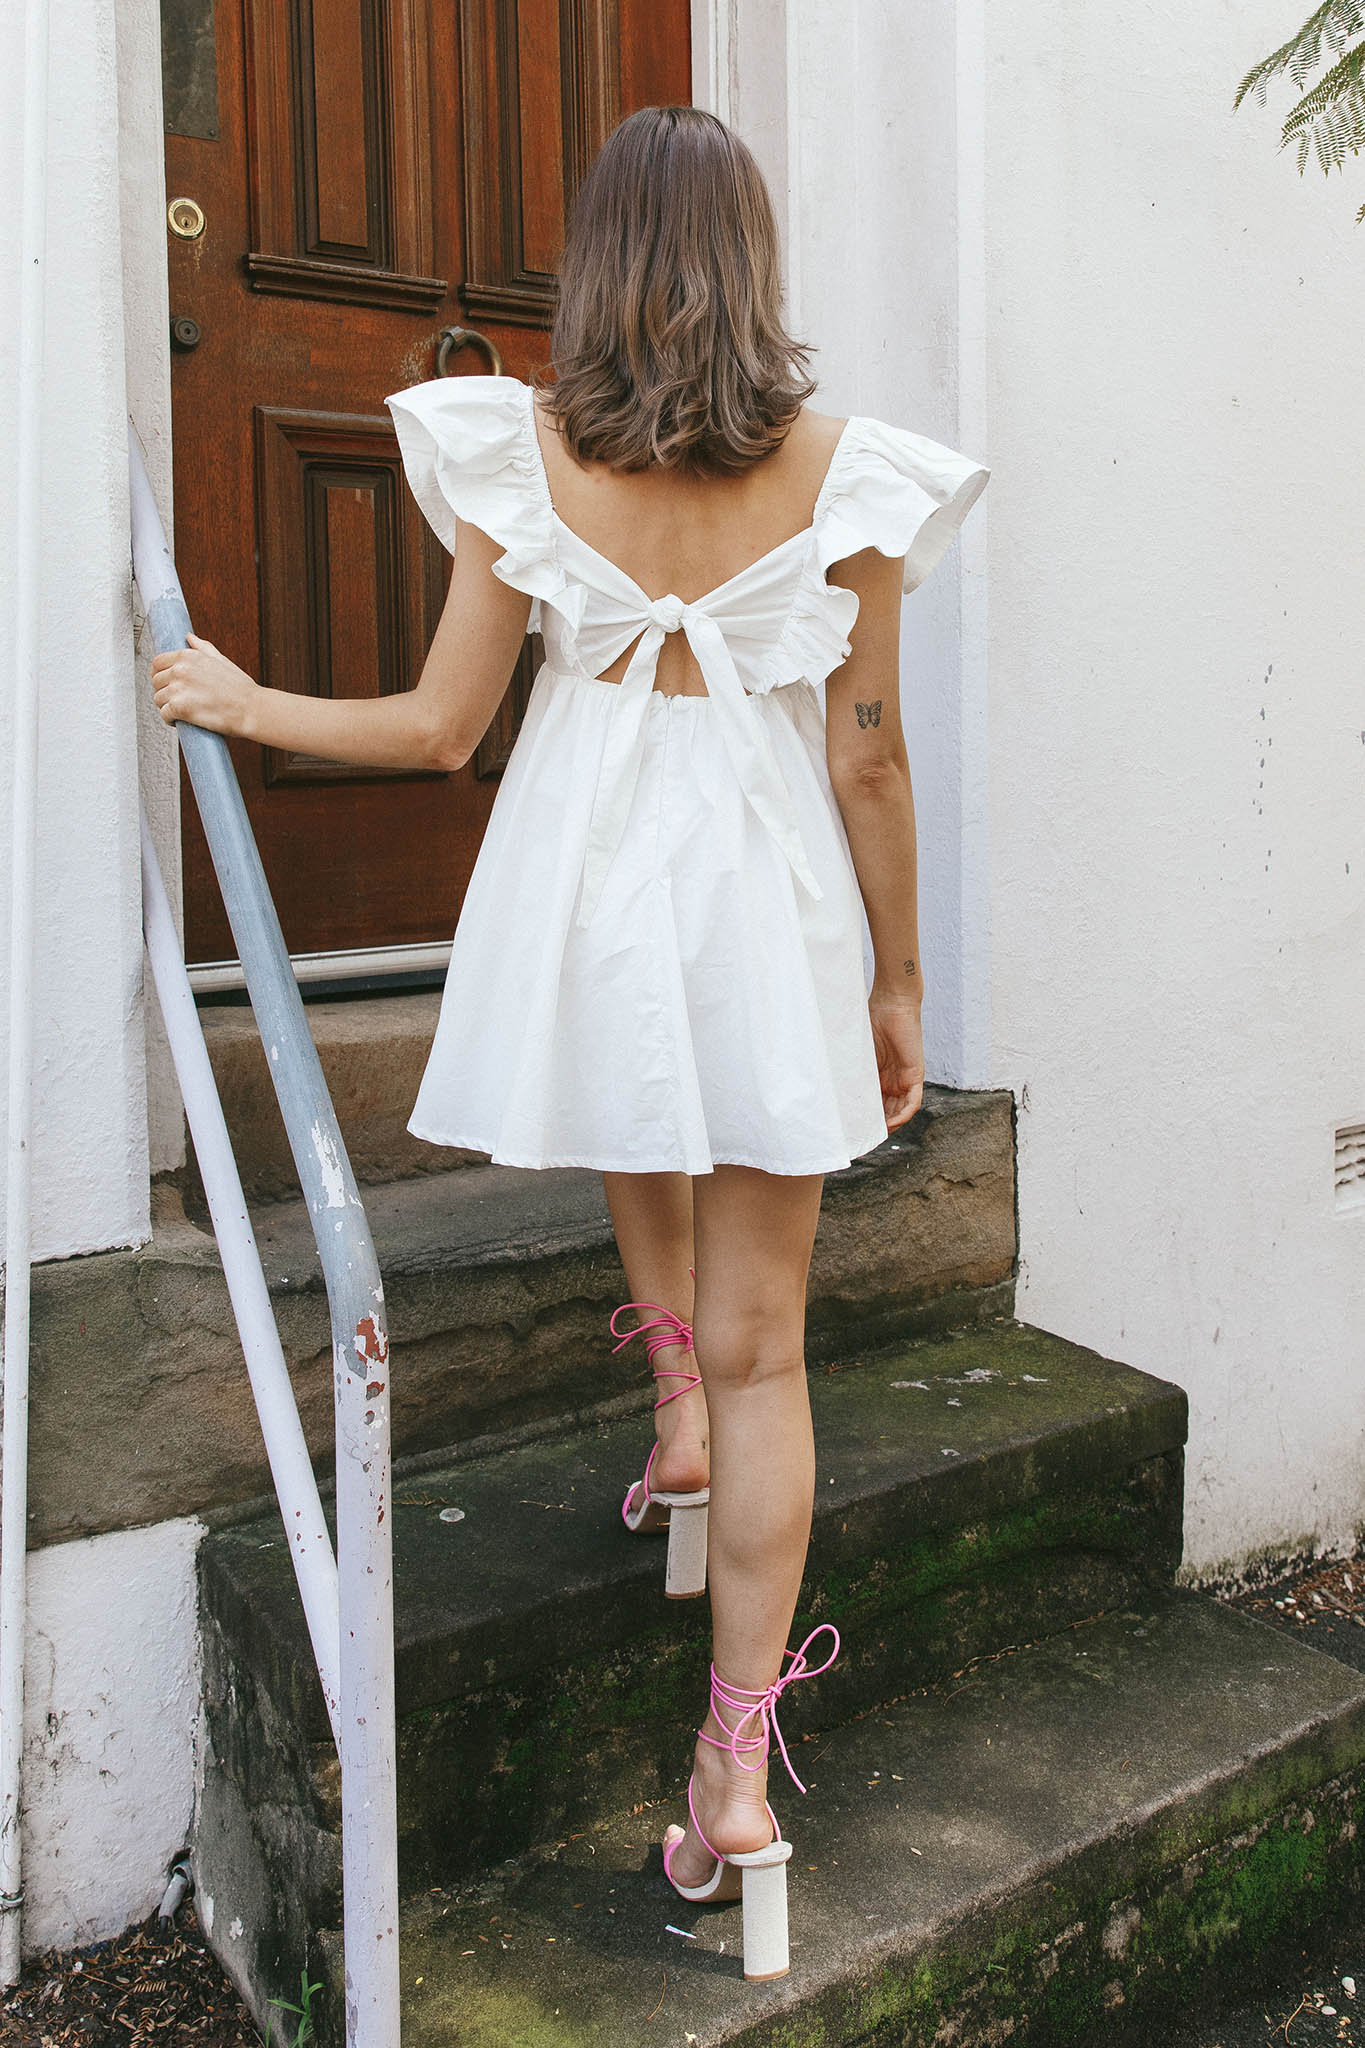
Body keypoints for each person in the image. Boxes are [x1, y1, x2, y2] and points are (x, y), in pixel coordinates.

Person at [151, 102, 988, 1981]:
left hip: (600, 885)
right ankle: (736, 1770)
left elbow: (445, 730)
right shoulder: (847, 473)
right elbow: (864, 751)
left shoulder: (524, 456)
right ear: (751, 265)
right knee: (785, 1354)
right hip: (771, 894)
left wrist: (239, 691)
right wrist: (899, 982)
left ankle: (669, 1406)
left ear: (598, 267)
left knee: (630, 1077)